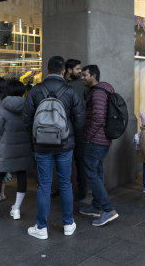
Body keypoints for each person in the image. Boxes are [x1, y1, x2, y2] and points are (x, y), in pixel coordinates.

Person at [22, 56, 85, 240]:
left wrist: (36, 136)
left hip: (41, 145)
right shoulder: (70, 91)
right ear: (64, 71)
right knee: (65, 183)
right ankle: (67, 224)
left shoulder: (35, 90)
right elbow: (80, 120)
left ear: (47, 70)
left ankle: (41, 227)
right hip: (65, 145)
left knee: (44, 185)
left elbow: (26, 119)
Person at [0, 80, 31, 220]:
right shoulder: (28, 107)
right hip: (23, 146)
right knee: (22, 176)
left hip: (7, 146)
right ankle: (16, 209)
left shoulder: (4, 106)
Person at [79, 64, 119, 226]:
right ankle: (97, 205)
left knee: (91, 171)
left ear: (94, 76)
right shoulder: (102, 91)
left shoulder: (98, 94)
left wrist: (87, 137)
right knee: (97, 170)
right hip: (101, 139)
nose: (82, 78)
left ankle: (108, 209)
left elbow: (98, 119)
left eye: (85, 75)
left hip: (97, 140)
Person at [65, 58, 88, 200]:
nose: (80, 72)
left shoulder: (82, 85)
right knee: (63, 160)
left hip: (79, 129)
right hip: (63, 128)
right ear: (69, 70)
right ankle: (63, 189)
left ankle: (82, 190)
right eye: (78, 69)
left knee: (80, 160)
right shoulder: (61, 83)